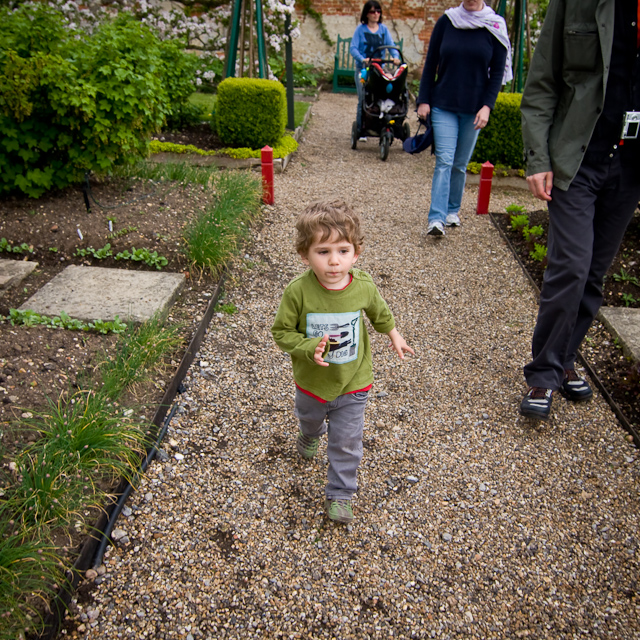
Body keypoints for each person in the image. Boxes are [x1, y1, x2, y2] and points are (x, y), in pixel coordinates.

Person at [519, 0, 640, 421]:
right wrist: (537, 158)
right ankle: (543, 373)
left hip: (630, 168)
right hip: (578, 160)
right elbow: (542, 82)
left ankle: (565, 357)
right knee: (570, 265)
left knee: (594, 273)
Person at [271, 200, 414, 524]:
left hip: (353, 382)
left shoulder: (362, 285)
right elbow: (281, 332)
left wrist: (394, 335)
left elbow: (378, 312)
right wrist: (308, 346)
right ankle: (309, 434)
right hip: (312, 383)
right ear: (304, 254)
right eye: (323, 252)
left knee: (346, 442)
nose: (334, 261)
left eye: (343, 251)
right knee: (309, 420)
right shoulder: (298, 292)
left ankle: (340, 493)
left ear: (356, 252)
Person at [416, 0, 511, 236]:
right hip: (444, 104)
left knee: (459, 165)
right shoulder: (447, 22)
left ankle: (451, 210)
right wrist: (423, 100)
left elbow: (497, 72)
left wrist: (487, 106)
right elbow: (430, 64)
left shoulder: (495, 26)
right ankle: (436, 219)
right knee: (444, 161)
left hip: (474, 109)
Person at [350, 0, 400, 140]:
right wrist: (362, 59)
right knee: (363, 99)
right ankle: (361, 130)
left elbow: (390, 45)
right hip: (364, 70)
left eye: (378, 11)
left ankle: (379, 126)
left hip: (379, 70)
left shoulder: (383, 29)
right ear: (366, 14)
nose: (376, 14)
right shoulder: (360, 30)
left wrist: (395, 57)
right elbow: (353, 48)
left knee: (380, 98)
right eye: (372, 11)